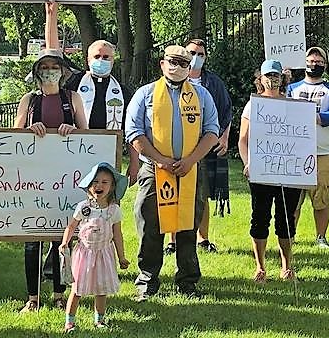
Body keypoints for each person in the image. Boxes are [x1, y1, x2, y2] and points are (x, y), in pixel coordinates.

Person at [125, 45, 220, 300]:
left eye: (183, 63)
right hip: (154, 169)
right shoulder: (145, 94)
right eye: (172, 61)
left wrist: (190, 160)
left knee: (188, 225)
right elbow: (134, 132)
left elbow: (212, 131)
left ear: (190, 68)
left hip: (190, 169)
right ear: (162, 64)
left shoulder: (201, 95)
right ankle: (147, 281)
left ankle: (188, 282)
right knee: (150, 225)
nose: (177, 67)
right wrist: (161, 160)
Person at [14, 44, 89, 313]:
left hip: (64, 180)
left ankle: (59, 294)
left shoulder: (73, 98)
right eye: (44, 67)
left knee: (61, 239)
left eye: (54, 67)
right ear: (36, 72)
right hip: (31, 180)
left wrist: (73, 130)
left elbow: (88, 134)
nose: (49, 72)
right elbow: (14, 136)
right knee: (32, 240)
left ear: (63, 71)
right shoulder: (28, 100)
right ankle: (32, 298)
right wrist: (28, 130)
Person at [166, 38, 232, 255]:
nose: (196, 58)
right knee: (171, 193)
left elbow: (226, 112)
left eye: (201, 54)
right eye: (193, 52)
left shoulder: (212, 83)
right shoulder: (168, 81)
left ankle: (203, 239)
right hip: (176, 147)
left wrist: (223, 138)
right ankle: (173, 240)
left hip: (205, 147)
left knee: (201, 195)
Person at [238, 59, 300, 283]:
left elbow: (301, 138)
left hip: (288, 172)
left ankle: (286, 266)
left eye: (276, 76)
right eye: (268, 76)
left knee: (286, 219)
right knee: (260, 218)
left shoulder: (293, 104)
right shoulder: (252, 105)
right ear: (260, 79)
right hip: (261, 172)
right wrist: (248, 162)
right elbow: (243, 140)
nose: (272, 80)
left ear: (282, 79)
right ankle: (260, 267)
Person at [60, 162, 130, 331]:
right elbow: (71, 226)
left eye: (104, 182)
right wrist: (65, 242)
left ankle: (99, 320)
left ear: (112, 186)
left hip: (104, 254)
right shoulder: (83, 208)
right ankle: (69, 321)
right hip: (84, 253)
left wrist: (121, 257)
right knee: (77, 289)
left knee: (101, 288)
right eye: (95, 182)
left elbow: (117, 235)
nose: (99, 185)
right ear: (89, 186)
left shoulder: (113, 210)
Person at [287, 47, 329, 248]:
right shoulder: (292, 88)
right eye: (310, 61)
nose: (314, 65)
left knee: (322, 197)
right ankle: (289, 236)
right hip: (296, 152)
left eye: (319, 62)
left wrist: (313, 117)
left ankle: (321, 237)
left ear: (325, 66)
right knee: (292, 200)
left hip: (323, 152)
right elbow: (281, 109)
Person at [76, 39, 139, 181]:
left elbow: (131, 129)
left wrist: (134, 162)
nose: (101, 60)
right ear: (88, 60)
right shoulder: (75, 84)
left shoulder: (123, 92)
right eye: (97, 57)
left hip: (108, 152)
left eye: (106, 57)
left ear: (112, 60)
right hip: (76, 150)